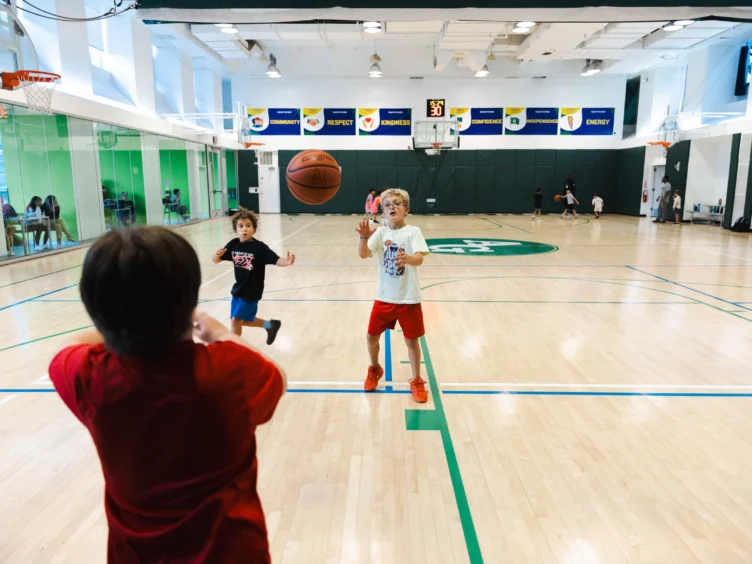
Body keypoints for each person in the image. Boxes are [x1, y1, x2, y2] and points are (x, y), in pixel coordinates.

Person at [48, 227, 285, 563]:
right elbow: (275, 377)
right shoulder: (226, 371)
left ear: (95, 307)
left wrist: (120, 319)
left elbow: (65, 348)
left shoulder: (91, 378)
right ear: (189, 302)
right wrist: (218, 333)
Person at [356, 188, 430, 403]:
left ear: (406, 209)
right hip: (384, 297)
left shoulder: (413, 231)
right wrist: (363, 237)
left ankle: (416, 380)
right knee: (371, 337)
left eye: (397, 203)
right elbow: (363, 254)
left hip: (408, 298)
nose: (392, 207)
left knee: (412, 341)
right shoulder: (380, 233)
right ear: (383, 212)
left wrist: (407, 258)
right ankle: (375, 369)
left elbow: (420, 259)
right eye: (387, 205)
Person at [213, 207, 295, 342]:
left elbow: (276, 260)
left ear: (254, 230)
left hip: (252, 291)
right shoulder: (233, 244)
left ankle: (234, 348)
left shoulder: (260, 248)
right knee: (242, 321)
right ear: (235, 230)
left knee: (235, 322)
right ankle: (270, 325)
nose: (244, 229)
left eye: (248, 226)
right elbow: (216, 261)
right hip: (238, 289)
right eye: (241, 226)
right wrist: (217, 256)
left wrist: (287, 262)